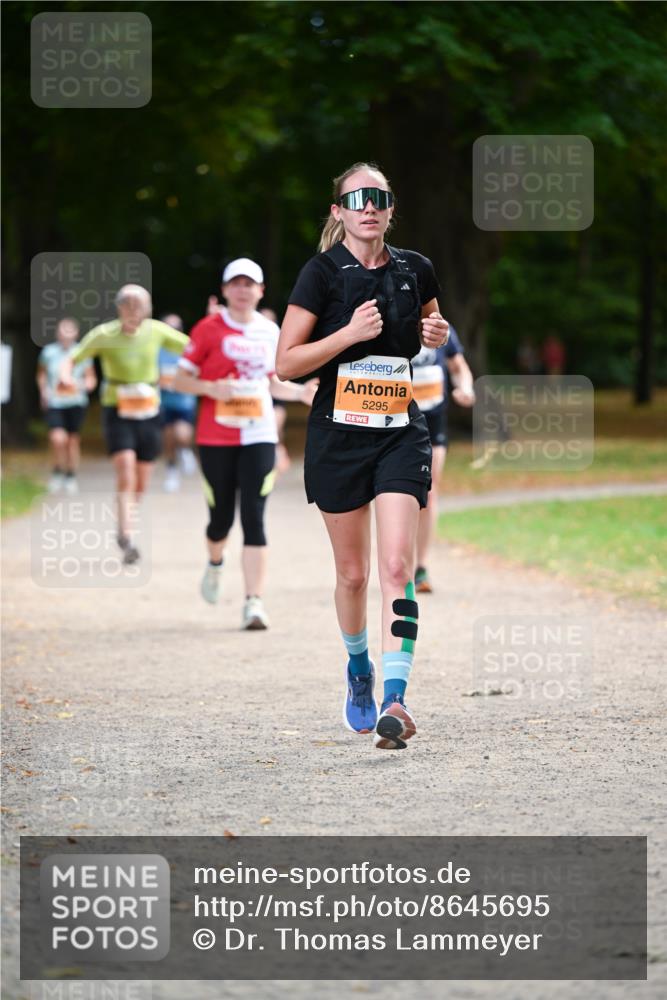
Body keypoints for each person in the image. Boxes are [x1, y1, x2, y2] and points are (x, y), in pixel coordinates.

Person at [277, 162, 449, 750]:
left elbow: (430, 326)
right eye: (357, 198)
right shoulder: (321, 274)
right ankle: (359, 670)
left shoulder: (415, 269)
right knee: (353, 575)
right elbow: (287, 363)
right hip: (339, 437)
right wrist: (347, 335)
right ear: (339, 211)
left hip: (400, 430)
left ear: (391, 208)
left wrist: (435, 334)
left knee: (397, 566)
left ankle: (396, 699)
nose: (368, 206)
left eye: (378, 197)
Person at [173, 258, 317, 630]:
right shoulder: (207, 329)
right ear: (225, 290)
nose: (242, 290)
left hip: (259, 434)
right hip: (215, 436)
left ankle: (254, 602)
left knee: (254, 515)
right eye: (235, 283)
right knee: (220, 518)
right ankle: (215, 562)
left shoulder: (270, 332)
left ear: (260, 291)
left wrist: (300, 393)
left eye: (249, 284)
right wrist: (210, 388)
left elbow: (273, 382)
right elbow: (179, 380)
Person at [59, 285, 189, 563]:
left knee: (141, 480)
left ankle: (125, 520)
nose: (134, 310)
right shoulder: (104, 335)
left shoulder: (157, 331)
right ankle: (127, 536)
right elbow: (71, 359)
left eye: (139, 305)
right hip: (117, 408)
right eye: (128, 305)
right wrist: (67, 376)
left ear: (148, 308)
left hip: (149, 409)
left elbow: (194, 347)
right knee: (126, 469)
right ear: (119, 308)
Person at [411, 326, 475, 593]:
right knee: (396, 495)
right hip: (397, 423)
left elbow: (458, 366)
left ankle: (421, 567)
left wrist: (466, 388)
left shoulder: (440, 328)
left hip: (433, 423)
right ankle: (397, 561)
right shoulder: (391, 323)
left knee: (429, 492)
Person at [36, 317, 97, 495]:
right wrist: (43, 391)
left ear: (76, 333)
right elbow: (41, 374)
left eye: (69, 330)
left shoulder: (82, 352)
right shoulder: (48, 352)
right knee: (57, 439)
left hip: (76, 402)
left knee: (72, 441)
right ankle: (57, 471)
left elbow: (90, 378)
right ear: (57, 333)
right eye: (63, 330)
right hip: (55, 402)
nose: (65, 334)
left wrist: (83, 385)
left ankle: (70, 475)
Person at [157, 313, 197, 493]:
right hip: (164, 402)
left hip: (184, 401)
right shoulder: (157, 350)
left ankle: (185, 450)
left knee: (181, 434)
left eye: (176, 327)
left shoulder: (188, 348)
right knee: (168, 439)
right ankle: (171, 470)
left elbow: (198, 372)